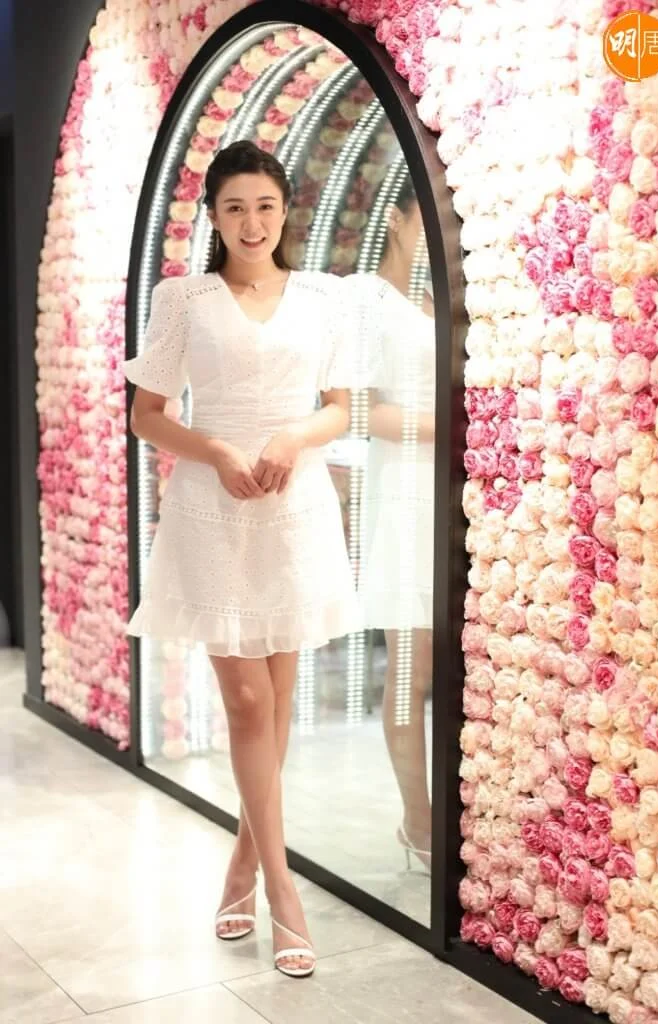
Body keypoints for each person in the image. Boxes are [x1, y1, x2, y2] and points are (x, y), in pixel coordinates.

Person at [123, 140, 364, 978]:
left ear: (285, 210)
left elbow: (339, 409)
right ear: (214, 218)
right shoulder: (183, 299)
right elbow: (147, 415)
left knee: (280, 698)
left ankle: (241, 868)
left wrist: (294, 436)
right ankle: (284, 891)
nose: (252, 223)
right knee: (250, 701)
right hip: (212, 509)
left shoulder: (324, 297)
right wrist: (219, 450)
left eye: (264, 206)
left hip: (295, 509)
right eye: (234, 208)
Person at [357, 179, 435, 874]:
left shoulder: (440, 297)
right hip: (405, 495)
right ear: (395, 218)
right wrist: (449, 427)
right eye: (424, 216)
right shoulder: (368, 301)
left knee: (450, 668)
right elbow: (359, 411)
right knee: (410, 667)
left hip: (455, 497)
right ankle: (418, 822)